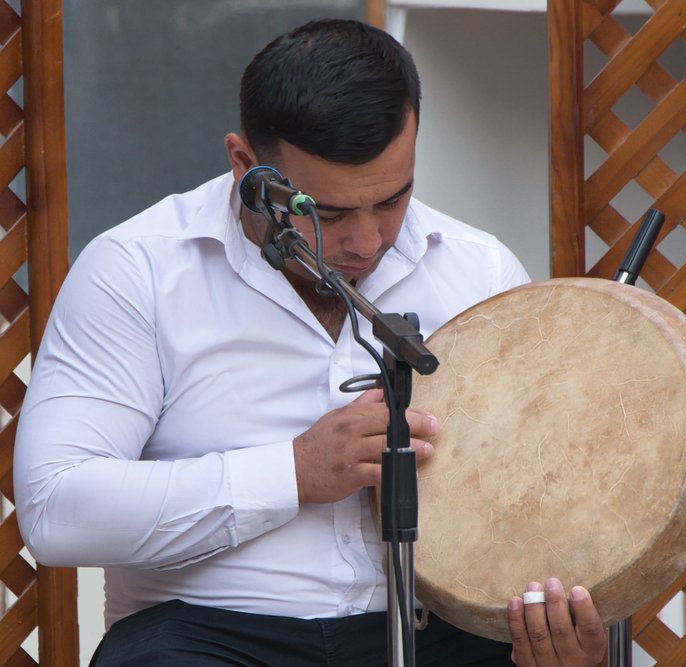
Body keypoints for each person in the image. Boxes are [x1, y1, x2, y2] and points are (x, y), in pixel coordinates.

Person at [14, 18, 606, 667]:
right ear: (246, 164)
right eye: (325, 213)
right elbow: (56, 509)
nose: (367, 241)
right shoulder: (139, 270)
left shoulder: (479, 271)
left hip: (438, 622)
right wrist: (292, 471)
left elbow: (543, 483)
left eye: (393, 198)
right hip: (209, 632)